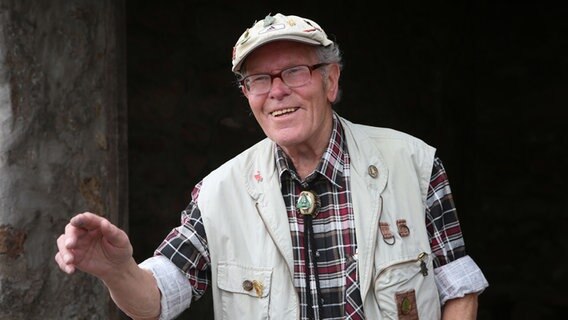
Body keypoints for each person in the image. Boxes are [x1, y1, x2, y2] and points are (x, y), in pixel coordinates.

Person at [55, 12, 489, 320]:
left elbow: (459, 287)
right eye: (259, 79)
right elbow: (160, 298)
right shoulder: (218, 192)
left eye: (295, 72)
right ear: (247, 95)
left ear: (331, 80)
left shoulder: (413, 162)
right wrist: (119, 271)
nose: (276, 91)